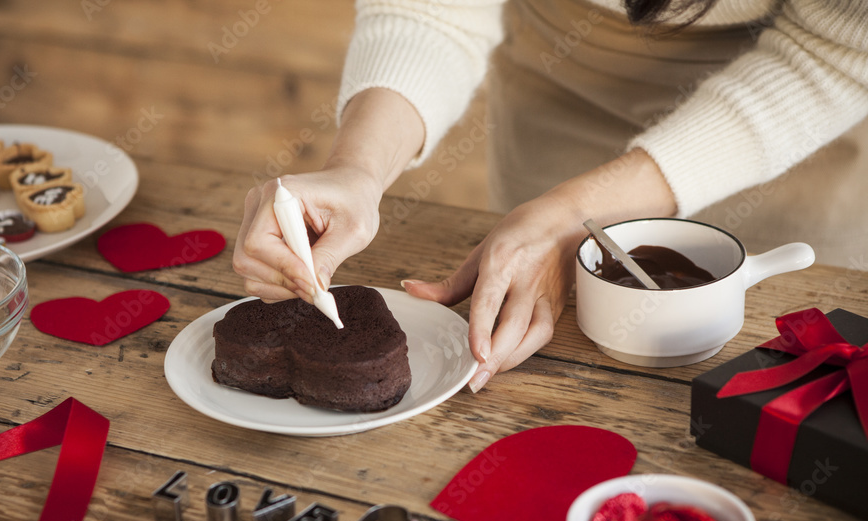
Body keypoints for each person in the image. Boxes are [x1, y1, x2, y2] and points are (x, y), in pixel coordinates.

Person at [233, 0, 868, 392]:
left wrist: (574, 212)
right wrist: (359, 169)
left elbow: (836, 52)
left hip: (788, 127)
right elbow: (430, 11)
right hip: (560, 80)